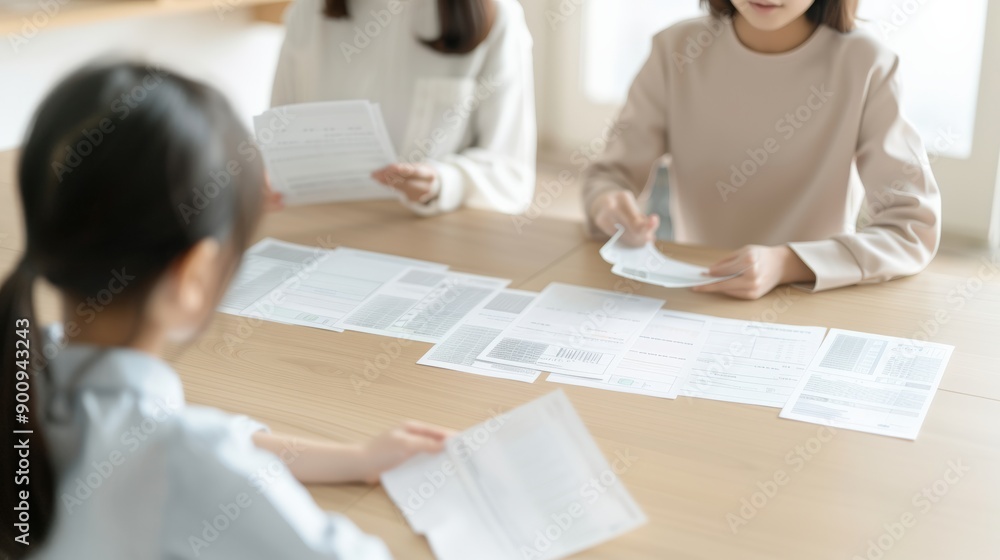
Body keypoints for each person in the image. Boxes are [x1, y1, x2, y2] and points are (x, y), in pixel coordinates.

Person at [0, 62, 450, 559]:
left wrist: (358, 459)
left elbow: (179, 437)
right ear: (194, 277)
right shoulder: (190, 459)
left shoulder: (25, 371)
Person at [584, 0, 941, 300]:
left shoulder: (866, 64)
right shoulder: (676, 50)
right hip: (700, 293)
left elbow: (912, 229)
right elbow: (608, 175)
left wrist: (789, 263)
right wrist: (607, 203)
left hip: (812, 297)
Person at [272, 0, 536, 215]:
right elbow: (274, 141)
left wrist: (443, 181)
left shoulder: (499, 17)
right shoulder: (308, 12)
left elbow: (511, 176)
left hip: (428, 230)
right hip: (318, 221)